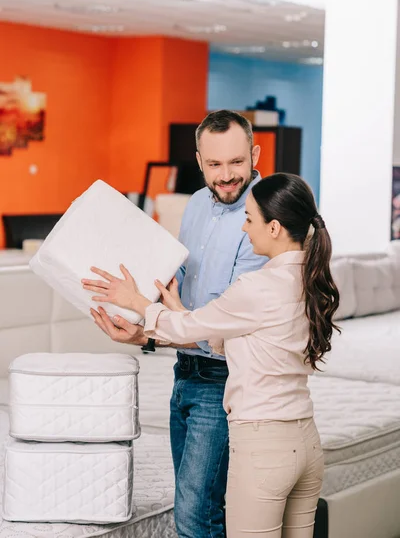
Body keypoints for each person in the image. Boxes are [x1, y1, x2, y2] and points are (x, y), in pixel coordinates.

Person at [83, 172, 340, 538]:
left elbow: (192, 330)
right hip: (306, 443)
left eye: (250, 219)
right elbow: (230, 336)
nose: (244, 229)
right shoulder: (311, 280)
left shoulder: (257, 286)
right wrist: (177, 314)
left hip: (264, 449)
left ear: (275, 228)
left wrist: (135, 301)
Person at [86, 110, 267, 538]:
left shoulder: (265, 217)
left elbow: (226, 321)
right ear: (200, 161)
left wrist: (153, 327)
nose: (226, 176)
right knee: (199, 508)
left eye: (237, 163)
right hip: (183, 374)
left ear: (255, 154)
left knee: (194, 513)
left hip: (224, 380)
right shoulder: (196, 205)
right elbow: (177, 293)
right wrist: (142, 332)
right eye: (215, 164)